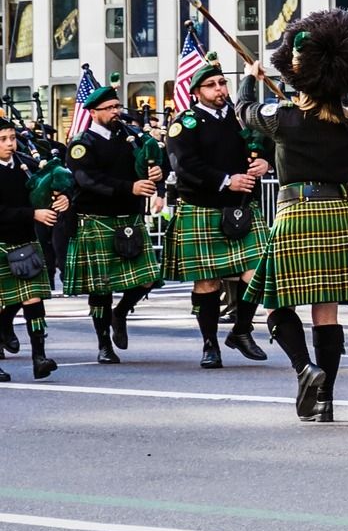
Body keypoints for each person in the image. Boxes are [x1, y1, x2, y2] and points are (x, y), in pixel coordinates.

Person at [242, 11, 348, 422]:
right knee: (326, 312)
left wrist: (250, 76)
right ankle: (325, 398)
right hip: (340, 216)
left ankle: (304, 369)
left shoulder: (283, 119)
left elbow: (243, 111)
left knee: (275, 305)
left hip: (296, 214)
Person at [161, 57, 270, 368]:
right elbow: (184, 166)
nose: (220, 89)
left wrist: (265, 162)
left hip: (242, 209)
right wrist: (226, 181)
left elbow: (269, 142)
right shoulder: (185, 123)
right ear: (197, 92)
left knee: (258, 275)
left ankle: (241, 330)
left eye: (222, 83)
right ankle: (210, 344)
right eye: (211, 85)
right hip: (202, 207)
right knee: (207, 283)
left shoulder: (241, 118)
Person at [64, 81, 163, 365]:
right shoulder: (82, 145)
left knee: (148, 279)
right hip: (97, 218)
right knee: (101, 288)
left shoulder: (130, 136)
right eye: (108, 108)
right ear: (93, 112)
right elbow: (87, 181)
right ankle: (104, 343)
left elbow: (154, 159)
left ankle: (120, 313)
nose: (115, 111)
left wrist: (155, 169)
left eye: (117, 106)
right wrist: (128, 188)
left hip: (129, 217)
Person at [0, 116, 62, 381]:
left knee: (34, 300)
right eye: (3, 139)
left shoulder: (26, 166)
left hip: (25, 241)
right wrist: (32, 214)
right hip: (1, 242)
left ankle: (39, 357)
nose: (10, 144)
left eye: (12, 138)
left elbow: (47, 189)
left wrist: (61, 198)